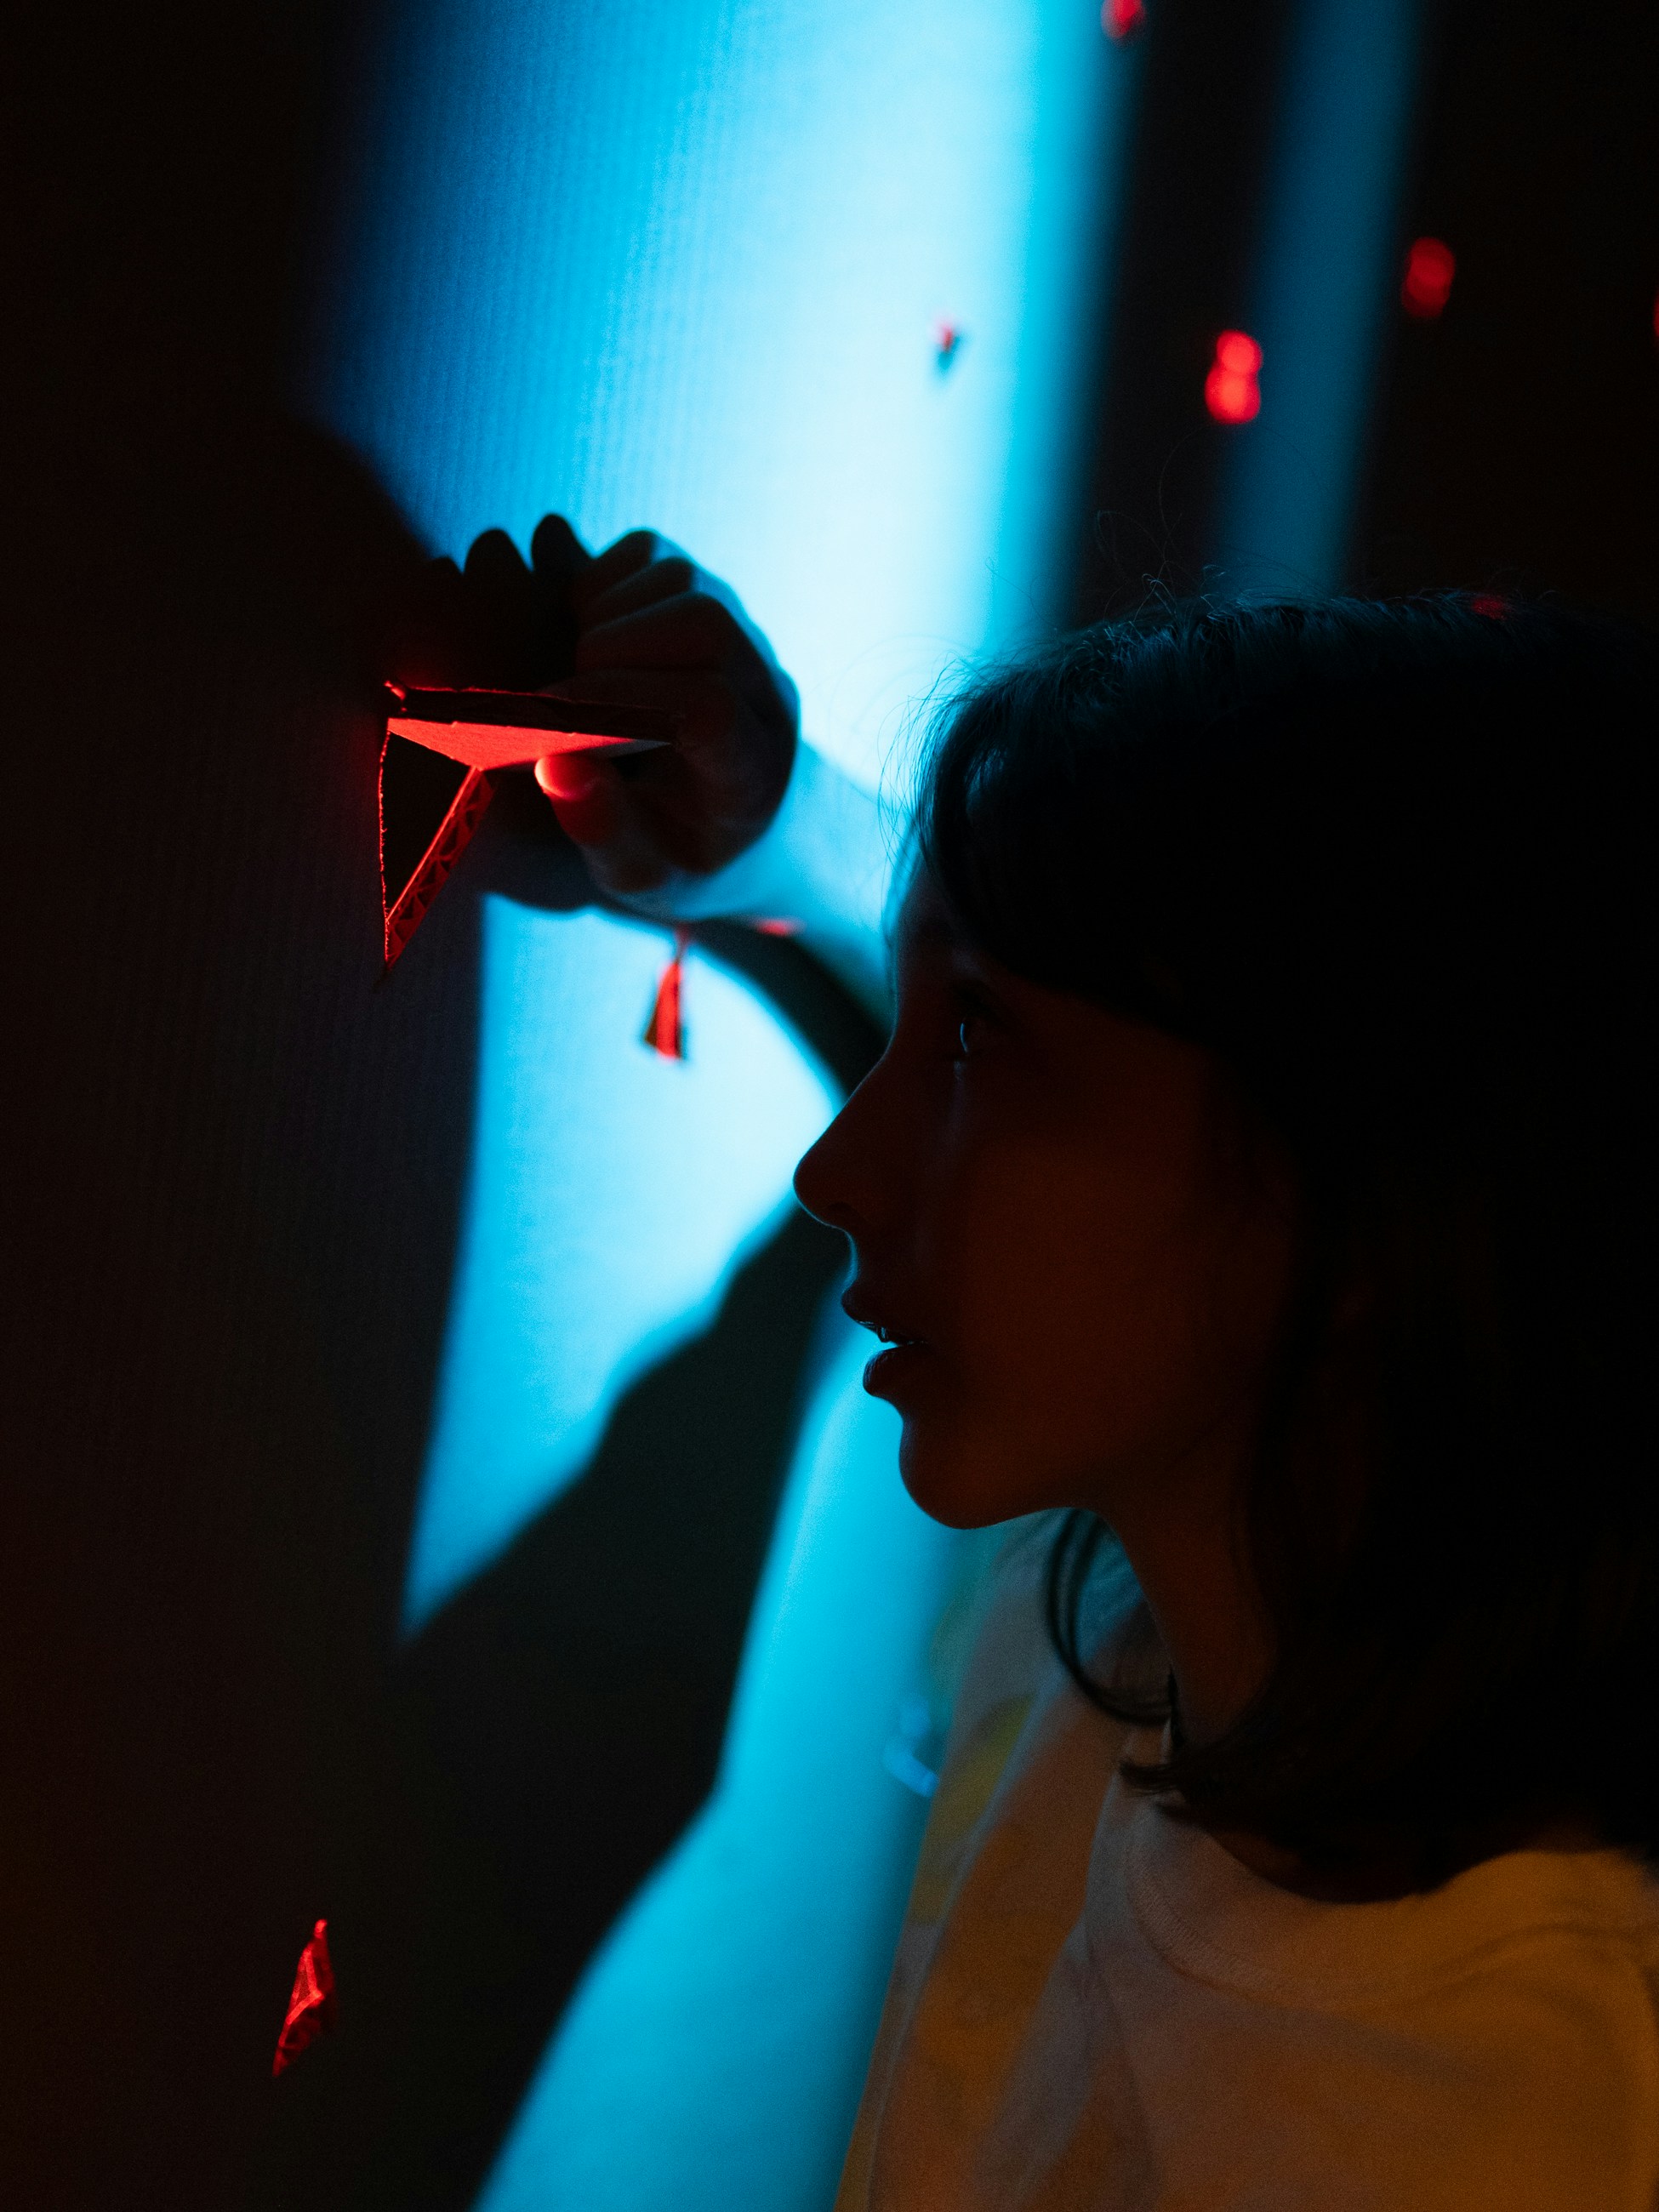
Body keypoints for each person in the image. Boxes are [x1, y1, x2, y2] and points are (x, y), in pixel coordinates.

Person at [475, 519, 1659, 2205]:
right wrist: (776, 826)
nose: (838, 1176)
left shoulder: (1490, 2129)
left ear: (1374, 1184)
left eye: (979, 1044)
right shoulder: (1143, 1602)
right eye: (935, 1009)